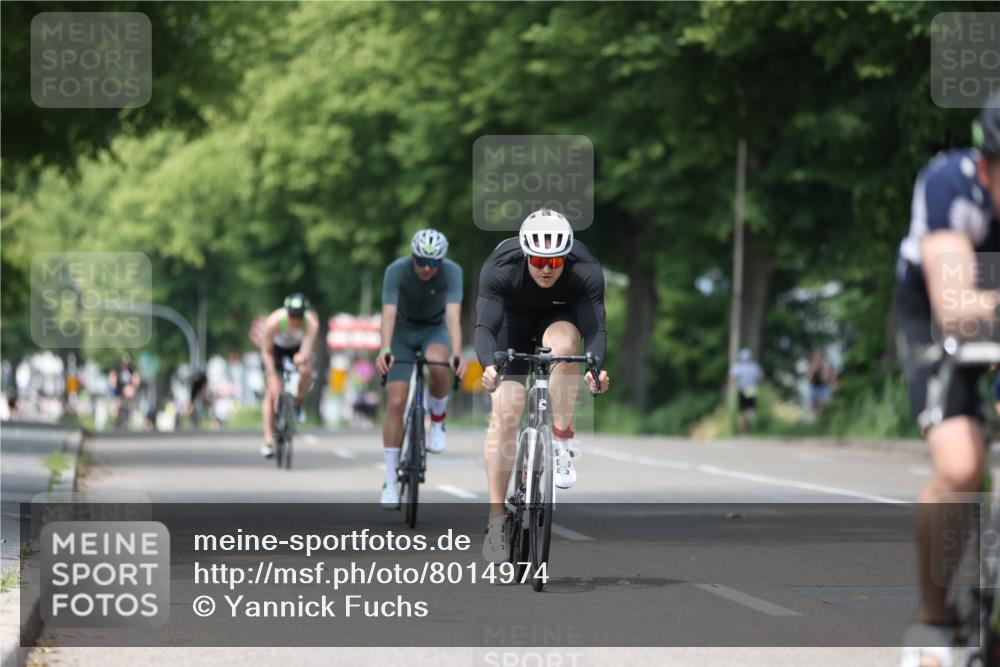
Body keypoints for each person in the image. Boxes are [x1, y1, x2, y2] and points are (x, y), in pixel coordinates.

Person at [896, 92, 1000, 667]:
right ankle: (932, 619)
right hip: (934, 316)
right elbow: (957, 308)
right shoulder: (948, 184)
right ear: (986, 167)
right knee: (961, 465)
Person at [475, 208, 610, 562]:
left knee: (565, 348)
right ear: (525, 254)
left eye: (555, 261)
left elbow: (595, 329)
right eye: (538, 260)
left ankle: (561, 440)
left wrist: (596, 368)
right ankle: (496, 519)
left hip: (558, 318)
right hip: (512, 323)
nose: (546, 269)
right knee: (506, 412)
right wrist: (489, 366)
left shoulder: (586, 270)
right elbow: (485, 327)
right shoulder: (500, 266)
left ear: (567, 256)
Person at [375, 229, 467, 509]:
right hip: (401, 331)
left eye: (433, 263)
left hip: (434, 328)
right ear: (412, 256)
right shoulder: (396, 270)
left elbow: (453, 315)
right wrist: (385, 349)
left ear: (441, 261)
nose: (427, 268)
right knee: (396, 401)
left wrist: (456, 352)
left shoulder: (453, 272)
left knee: (438, 363)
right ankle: (391, 481)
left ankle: (437, 418)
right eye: (421, 261)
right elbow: (388, 314)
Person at [259, 293, 319, 458]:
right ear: (287, 313)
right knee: (272, 391)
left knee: (306, 370)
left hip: (296, 348)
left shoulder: (311, 323)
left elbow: (305, 350)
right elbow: (265, 351)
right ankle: (268, 439)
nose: (295, 321)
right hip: (275, 350)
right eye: (292, 317)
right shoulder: (274, 322)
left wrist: (301, 359)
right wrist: (272, 375)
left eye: (299, 317)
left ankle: (298, 401)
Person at [728, 347, 763, 433]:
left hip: (742, 389)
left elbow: (732, 377)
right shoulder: (754, 366)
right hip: (751, 389)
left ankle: (743, 431)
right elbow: (760, 377)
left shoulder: (738, 366)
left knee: (742, 411)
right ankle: (751, 416)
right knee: (750, 408)